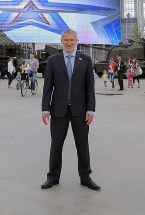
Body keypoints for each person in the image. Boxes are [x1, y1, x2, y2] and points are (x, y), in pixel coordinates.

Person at [41, 29, 100, 191]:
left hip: (80, 111)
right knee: (56, 145)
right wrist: (45, 109)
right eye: (66, 40)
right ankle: (53, 177)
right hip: (58, 110)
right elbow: (47, 87)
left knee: (82, 145)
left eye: (72, 40)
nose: (69, 43)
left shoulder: (85, 60)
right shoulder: (53, 60)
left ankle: (85, 176)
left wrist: (91, 110)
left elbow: (90, 87)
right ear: (61, 41)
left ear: (76, 41)